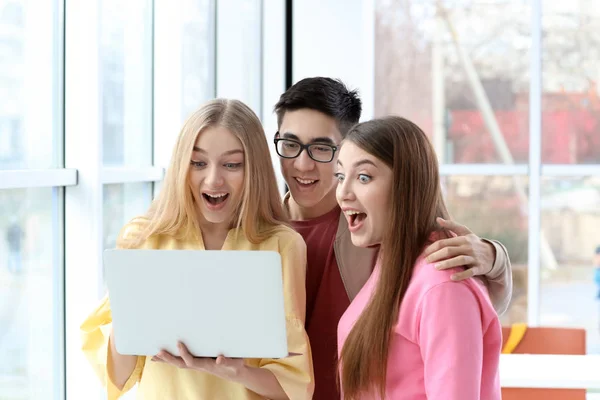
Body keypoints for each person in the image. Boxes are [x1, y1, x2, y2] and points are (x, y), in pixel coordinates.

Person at [272, 77, 511, 399]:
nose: (303, 163)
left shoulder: (379, 235)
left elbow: (454, 305)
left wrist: (494, 257)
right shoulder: (259, 228)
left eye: (321, 148)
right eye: (290, 145)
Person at [81, 99, 314, 400]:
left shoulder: (282, 246)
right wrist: (135, 311)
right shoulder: (143, 239)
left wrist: (235, 371)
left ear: (253, 169)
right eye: (198, 163)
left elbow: (295, 387)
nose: (214, 179)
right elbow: (118, 376)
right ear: (182, 166)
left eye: (232, 164)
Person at [336, 116, 501, 400]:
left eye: (364, 177)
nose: (343, 193)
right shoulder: (392, 263)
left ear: (407, 186)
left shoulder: (444, 285)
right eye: (340, 176)